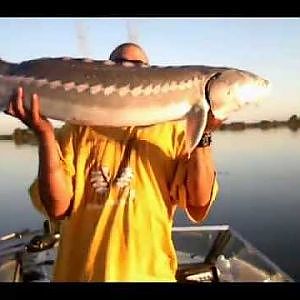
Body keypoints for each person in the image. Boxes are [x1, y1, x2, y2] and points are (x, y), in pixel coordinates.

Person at [5, 42, 220, 282]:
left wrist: (204, 136)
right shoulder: (76, 130)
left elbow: (198, 200)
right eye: (118, 66)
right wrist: (44, 134)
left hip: (150, 276)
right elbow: (58, 207)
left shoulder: (174, 132)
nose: (129, 71)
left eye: (138, 67)